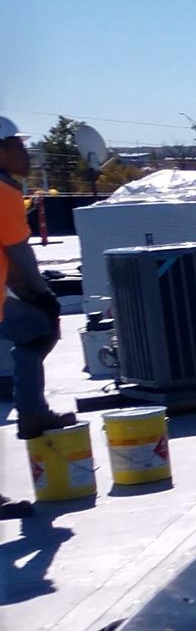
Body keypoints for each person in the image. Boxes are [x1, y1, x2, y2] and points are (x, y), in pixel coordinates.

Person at [0, 118, 74, 438]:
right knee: (39, 328)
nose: (26, 154)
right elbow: (18, 253)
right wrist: (43, 295)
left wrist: (29, 294)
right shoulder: (3, 191)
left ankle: (32, 412)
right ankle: (32, 414)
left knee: (33, 327)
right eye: (19, 146)